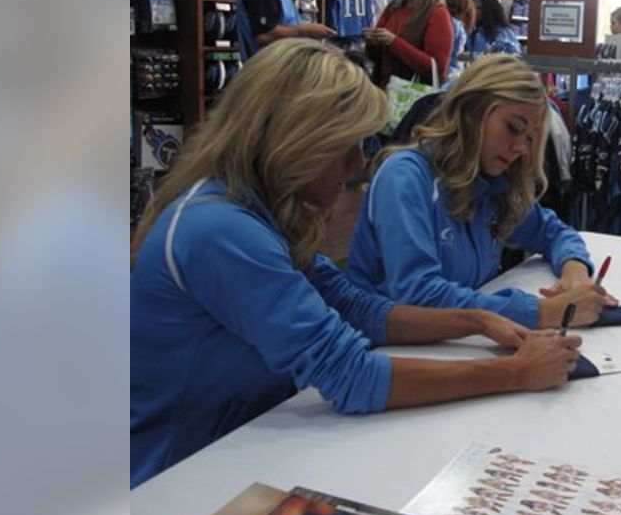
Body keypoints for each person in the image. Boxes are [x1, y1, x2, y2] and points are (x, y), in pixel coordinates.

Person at [131, 40, 581, 487]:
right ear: (296, 139)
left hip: (239, 451)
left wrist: (478, 319)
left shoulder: (262, 215)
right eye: (346, 146)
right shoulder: (219, 231)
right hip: (175, 483)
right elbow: (351, 375)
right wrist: (516, 372)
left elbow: (358, 307)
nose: (359, 163)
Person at [347, 54, 616, 329]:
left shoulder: (492, 183)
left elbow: (553, 232)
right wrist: (542, 311)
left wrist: (575, 270)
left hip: (448, 345)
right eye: (513, 128)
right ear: (471, 110)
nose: (521, 148)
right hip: (385, 353)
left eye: (530, 138)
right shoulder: (405, 178)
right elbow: (419, 296)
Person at [363, 0, 453, 88]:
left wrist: (394, 42)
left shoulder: (437, 14)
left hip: (414, 102)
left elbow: (436, 69)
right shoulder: (393, 8)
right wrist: (373, 43)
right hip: (383, 95)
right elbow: (377, 59)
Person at [444, 0, 476, 80]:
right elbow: (458, 54)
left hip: (449, 72)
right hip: (455, 72)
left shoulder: (451, 23)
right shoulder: (459, 26)